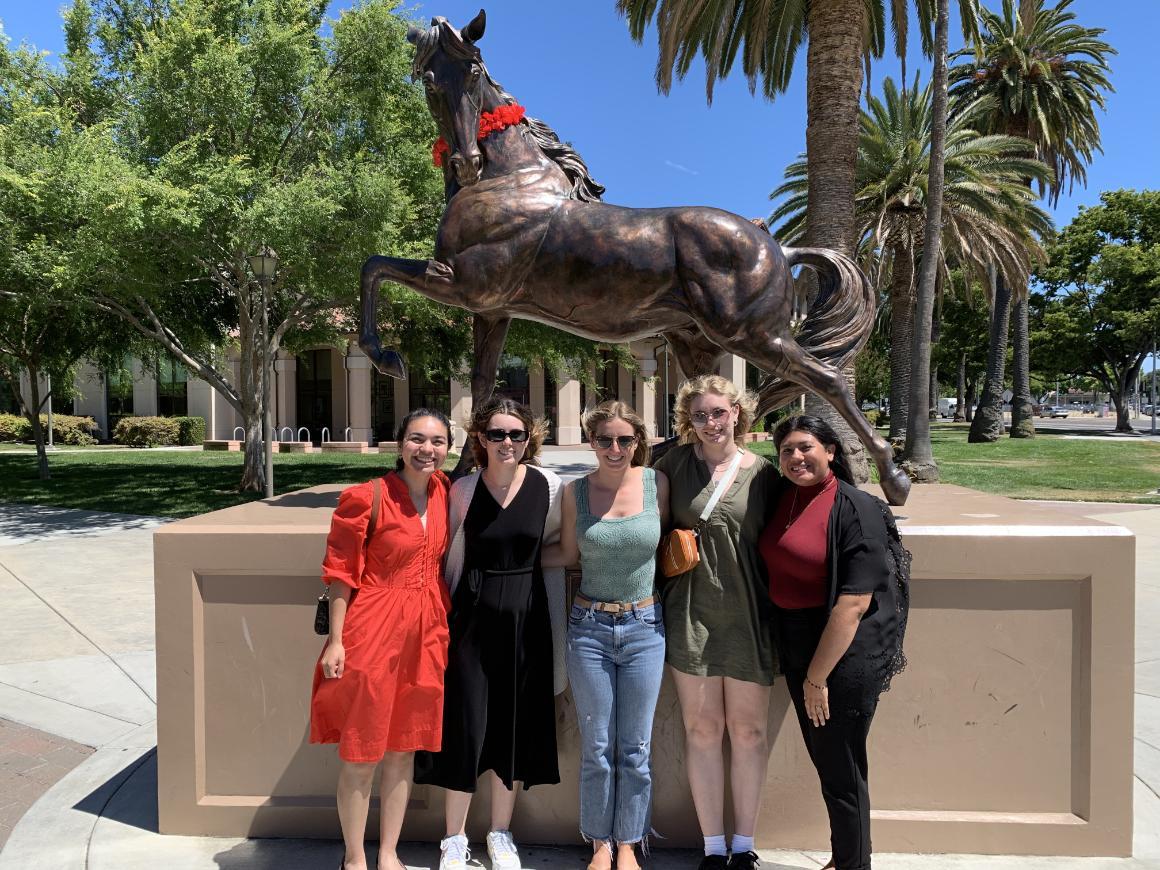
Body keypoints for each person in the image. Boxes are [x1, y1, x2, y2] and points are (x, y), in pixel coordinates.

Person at [414, 397, 565, 870]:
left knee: (513, 726)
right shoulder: (462, 490)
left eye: (516, 434)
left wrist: (521, 574)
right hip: (472, 621)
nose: (506, 443)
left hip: (527, 618)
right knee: (465, 723)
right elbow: (447, 554)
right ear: (479, 438)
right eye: (496, 434)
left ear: (529, 438)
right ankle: (453, 838)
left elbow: (561, 547)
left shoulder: (550, 486)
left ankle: (501, 833)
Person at [758, 415, 909, 870]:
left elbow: (854, 605)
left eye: (806, 447)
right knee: (831, 767)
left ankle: (852, 865)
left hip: (840, 655)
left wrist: (816, 678)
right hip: (797, 642)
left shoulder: (856, 508)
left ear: (831, 452)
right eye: (786, 450)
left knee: (842, 770)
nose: (796, 457)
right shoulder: (786, 499)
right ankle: (846, 859)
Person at [310, 408, 454, 870]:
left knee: (402, 749)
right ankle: (354, 858)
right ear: (399, 444)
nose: (426, 449)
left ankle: (389, 853)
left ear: (448, 449)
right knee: (361, 750)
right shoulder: (365, 497)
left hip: (427, 630)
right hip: (372, 627)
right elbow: (340, 575)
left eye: (436, 441)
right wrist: (336, 641)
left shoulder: (445, 492)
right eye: (417, 439)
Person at [653, 375, 779, 870]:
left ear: (737, 414)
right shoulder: (672, 466)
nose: (710, 423)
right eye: (700, 414)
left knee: (748, 732)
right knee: (702, 729)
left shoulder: (764, 473)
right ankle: (712, 846)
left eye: (719, 412)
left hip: (749, 615)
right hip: (690, 613)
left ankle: (744, 846)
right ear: (689, 417)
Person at [542, 401, 670, 870]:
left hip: (645, 627)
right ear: (591, 442)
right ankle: (599, 842)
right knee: (597, 744)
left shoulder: (658, 484)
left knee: (634, 746)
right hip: (589, 628)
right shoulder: (576, 492)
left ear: (638, 442)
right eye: (604, 440)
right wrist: (506, 560)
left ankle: (628, 843)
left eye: (624, 440)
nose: (614, 449)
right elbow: (568, 553)